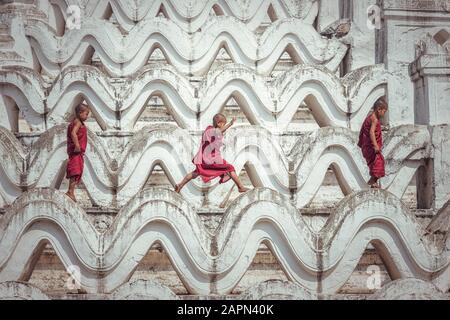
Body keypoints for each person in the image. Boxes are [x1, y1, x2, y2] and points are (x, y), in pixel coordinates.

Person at [175, 113, 249, 193]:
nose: (223, 126)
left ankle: (180, 185)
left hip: (207, 159)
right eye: (223, 124)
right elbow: (219, 131)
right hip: (211, 159)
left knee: (195, 173)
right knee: (230, 168)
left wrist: (228, 126)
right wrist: (230, 124)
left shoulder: (211, 131)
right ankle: (240, 187)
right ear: (218, 123)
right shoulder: (210, 130)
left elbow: (218, 133)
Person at [358, 97, 388, 188]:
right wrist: (375, 145)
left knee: (374, 163)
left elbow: (364, 131)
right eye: (384, 111)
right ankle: (373, 181)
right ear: (379, 109)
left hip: (367, 147)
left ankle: (374, 181)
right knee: (379, 162)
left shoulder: (370, 117)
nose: (384, 114)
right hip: (371, 147)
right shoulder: (374, 119)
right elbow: (371, 132)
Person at [65, 102, 90, 202]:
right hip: (76, 152)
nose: (87, 116)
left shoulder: (77, 122)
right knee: (75, 171)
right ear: (80, 113)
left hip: (78, 153)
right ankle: (70, 191)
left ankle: (71, 191)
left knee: (77, 171)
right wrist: (77, 145)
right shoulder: (78, 122)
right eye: (86, 114)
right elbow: (73, 133)